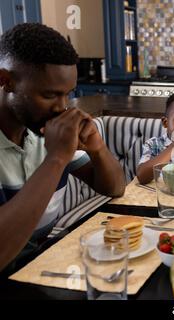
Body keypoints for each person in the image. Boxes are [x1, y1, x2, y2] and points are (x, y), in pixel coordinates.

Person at [0, 23, 126, 272]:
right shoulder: (53, 140)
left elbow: (114, 187)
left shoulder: (42, 128)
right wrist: (56, 158)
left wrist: (97, 147)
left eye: (68, 94)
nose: (62, 107)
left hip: (37, 267)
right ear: (6, 81)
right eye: (49, 95)